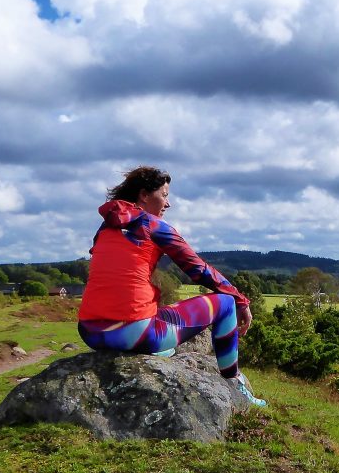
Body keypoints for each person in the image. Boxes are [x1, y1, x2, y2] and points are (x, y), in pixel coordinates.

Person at [77, 166, 266, 407]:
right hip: (135, 333)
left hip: (90, 332)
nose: (168, 204)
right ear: (144, 195)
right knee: (226, 303)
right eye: (164, 195)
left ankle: (149, 347)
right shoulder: (154, 226)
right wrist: (241, 300)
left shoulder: (105, 228)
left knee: (156, 308)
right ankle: (234, 383)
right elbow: (199, 269)